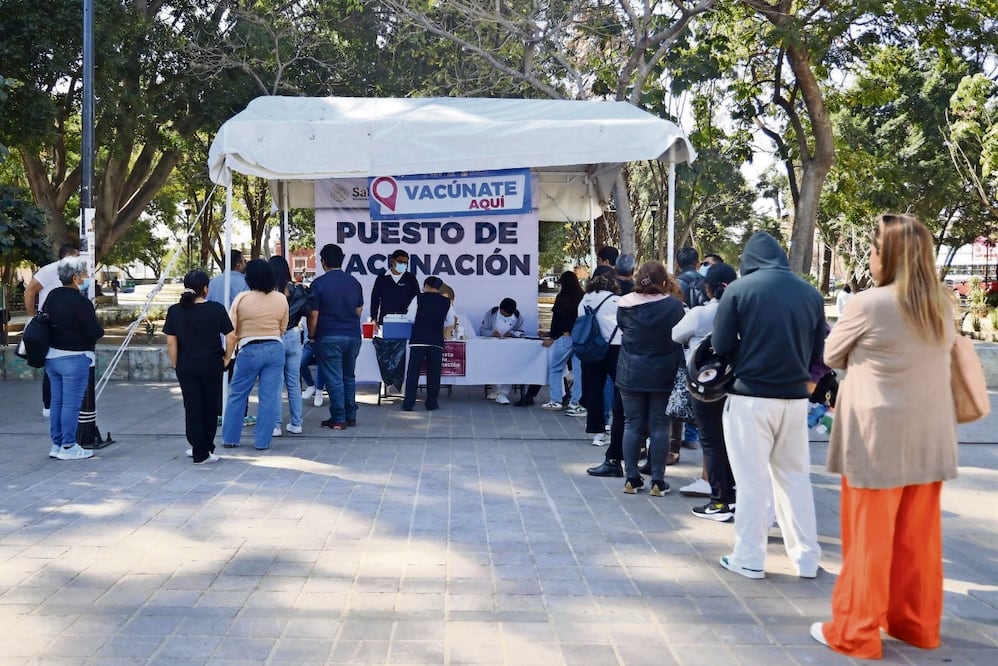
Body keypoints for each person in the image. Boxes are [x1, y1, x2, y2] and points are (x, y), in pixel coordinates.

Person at [811, 214, 957, 659]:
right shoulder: (943, 303)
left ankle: (856, 631)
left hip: (877, 439)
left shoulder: (868, 304)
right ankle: (916, 625)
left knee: (869, 539)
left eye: (874, 250)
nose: (871, 258)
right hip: (930, 435)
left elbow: (832, 354)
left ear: (889, 257)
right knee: (919, 539)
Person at [712, 231, 826, 580]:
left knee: (751, 480)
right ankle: (806, 559)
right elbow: (819, 349)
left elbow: (720, 344)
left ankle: (749, 558)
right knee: (794, 478)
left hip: (749, 398)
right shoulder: (810, 293)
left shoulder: (739, 290)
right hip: (794, 399)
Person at [672, 263, 740, 517]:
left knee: (710, 440)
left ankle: (719, 499)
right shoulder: (741, 311)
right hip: (734, 383)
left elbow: (675, 335)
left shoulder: (700, 314)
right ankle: (732, 491)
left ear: (709, 289)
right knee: (731, 439)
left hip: (705, 384)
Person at [616, 261, 686, 496]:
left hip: (630, 371)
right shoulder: (674, 307)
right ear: (664, 281)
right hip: (663, 373)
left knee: (632, 423)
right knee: (660, 426)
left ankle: (631, 478)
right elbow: (679, 335)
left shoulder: (624, 305)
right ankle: (657, 480)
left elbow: (623, 329)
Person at [164, 270, 236, 465]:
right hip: (212, 364)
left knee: (192, 407)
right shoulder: (216, 309)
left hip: (186, 365)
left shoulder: (175, 311)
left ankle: (198, 446)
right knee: (210, 407)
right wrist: (227, 358)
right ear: (205, 288)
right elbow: (231, 336)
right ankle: (204, 449)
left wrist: (176, 363)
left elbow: (171, 343)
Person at [220, 259, 288, 450]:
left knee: (238, 395)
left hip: (249, 349)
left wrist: (228, 355)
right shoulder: (281, 298)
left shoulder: (242, 298)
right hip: (275, 348)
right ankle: (262, 442)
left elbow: (232, 332)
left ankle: (231, 438)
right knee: (269, 398)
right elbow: (283, 327)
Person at [43, 256, 103, 461]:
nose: (87, 277)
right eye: (85, 274)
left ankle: (57, 443)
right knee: (71, 404)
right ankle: (69, 445)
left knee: (57, 402)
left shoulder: (52, 296)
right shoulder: (81, 302)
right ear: (76, 278)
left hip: (52, 357)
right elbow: (93, 331)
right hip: (74, 358)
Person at [307, 244, 364, 430]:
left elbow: (313, 314)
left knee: (334, 378)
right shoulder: (354, 282)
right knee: (349, 377)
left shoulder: (318, 284)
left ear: (323, 262)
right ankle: (351, 415)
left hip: (329, 335)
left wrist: (312, 335)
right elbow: (358, 310)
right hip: (353, 335)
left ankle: (338, 418)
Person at [23, 243, 80, 418]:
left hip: (69, 324)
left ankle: (64, 402)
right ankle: (48, 404)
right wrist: (33, 318)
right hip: (50, 323)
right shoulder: (49, 271)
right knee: (52, 364)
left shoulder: (74, 274)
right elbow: (29, 291)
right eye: (77, 256)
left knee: (67, 362)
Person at [581, 272, 626, 473]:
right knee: (619, 391)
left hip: (590, 347)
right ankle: (616, 429)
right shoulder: (616, 300)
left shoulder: (583, 301)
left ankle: (596, 432)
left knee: (593, 391)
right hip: (615, 348)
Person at [208, 249, 253, 426]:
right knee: (240, 379)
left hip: (216, 337)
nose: (244, 264)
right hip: (238, 337)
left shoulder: (214, 282)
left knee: (219, 378)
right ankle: (241, 414)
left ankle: (219, 412)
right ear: (238, 264)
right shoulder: (245, 283)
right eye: (243, 261)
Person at [401, 276, 456, 411]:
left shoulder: (418, 298)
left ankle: (409, 403)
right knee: (434, 373)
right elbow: (450, 321)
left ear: (426, 286)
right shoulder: (446, 302)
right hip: (436, 341)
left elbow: (410, 317)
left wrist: (420, 323)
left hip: (418, 340)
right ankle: (431, 403)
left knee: (413, 373)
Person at [268, 255, 308, 437]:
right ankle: (296, 423)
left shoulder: (267, 293)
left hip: (275, 336)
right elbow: (308, 310)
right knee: (294, 383)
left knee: (276, 384)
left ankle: (275, 425)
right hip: (293, 335)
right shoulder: (297, 290)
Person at [537, 271, 585, 410]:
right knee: (578, 372)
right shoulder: (583, 297)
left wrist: (551, 337)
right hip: (580, 338)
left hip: (565, 338)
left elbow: (556, 321)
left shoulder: (561, 298)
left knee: (555, 368)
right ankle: (576, 402)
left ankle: (556, 400)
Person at [478, 297, 525, 405]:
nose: (507, 316)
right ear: (500, 309)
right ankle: (496, 390)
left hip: (510, 349)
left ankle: (503, 392)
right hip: (492, 348)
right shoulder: (491, 314)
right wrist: (491, 333)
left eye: (509, 315)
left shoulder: (518, 317)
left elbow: (522, 332)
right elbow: (482, 330)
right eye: (504, 314)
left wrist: (512, 333)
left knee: (508, 367)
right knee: (491, 366)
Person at [370, 249, 419, 324]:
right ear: (392, 261)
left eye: (405, 263)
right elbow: (375, 299)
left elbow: (417, 299)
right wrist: (373, 318)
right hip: (385, 319)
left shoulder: (410, 278)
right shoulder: (382, 277)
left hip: (405, 320)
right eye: (400, 262)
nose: (403, 265)